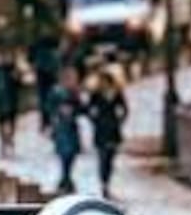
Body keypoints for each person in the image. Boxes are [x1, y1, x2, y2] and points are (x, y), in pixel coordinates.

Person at [87, 64, 131, 200]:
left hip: (113, 129)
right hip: (101, 130)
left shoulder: (117, 93)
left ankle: (107, 181)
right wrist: (95, 120)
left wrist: (120, 120)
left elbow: (125, 109)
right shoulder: (96, 94)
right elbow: (89, 109)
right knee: (102, 157)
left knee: (110, 157)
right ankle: (103, 183)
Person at [47, 64, 86, 196]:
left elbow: (81, 109)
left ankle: (66, 178)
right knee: (64, 153)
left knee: (72, 154)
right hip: (61, 127)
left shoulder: (74, 93)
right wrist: (56, 116)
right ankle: (65, 179)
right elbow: (49, 107)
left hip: (71, 127)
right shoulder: (56, 92)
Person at [0, 53, 22, 155]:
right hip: (9, 101)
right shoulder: (8, 71)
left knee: (4, 122)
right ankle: (7, 141)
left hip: (5, 102)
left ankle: (5, 142)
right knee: (8, 122)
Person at [30, 27, 63, 133]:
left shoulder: (37, 46)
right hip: (51, 74)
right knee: (52, 97)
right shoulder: (53, 47)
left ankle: (46, 121)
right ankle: (52, 120)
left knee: (44, 98)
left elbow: (31, 58)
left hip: (42, 74)